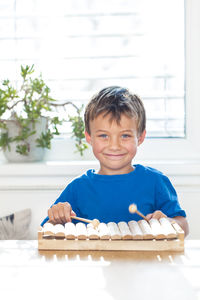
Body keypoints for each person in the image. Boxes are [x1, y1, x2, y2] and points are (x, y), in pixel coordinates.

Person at [41, 86, 189, 236]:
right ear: (89, 137)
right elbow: (47, 231)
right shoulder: (78, 188)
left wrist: (168, 222)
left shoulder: (156, 182)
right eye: (104, 136)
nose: (114, 146)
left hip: (145, 260)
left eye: (125, 136)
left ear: (141, 137)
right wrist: (56, 217)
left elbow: (184, 226)